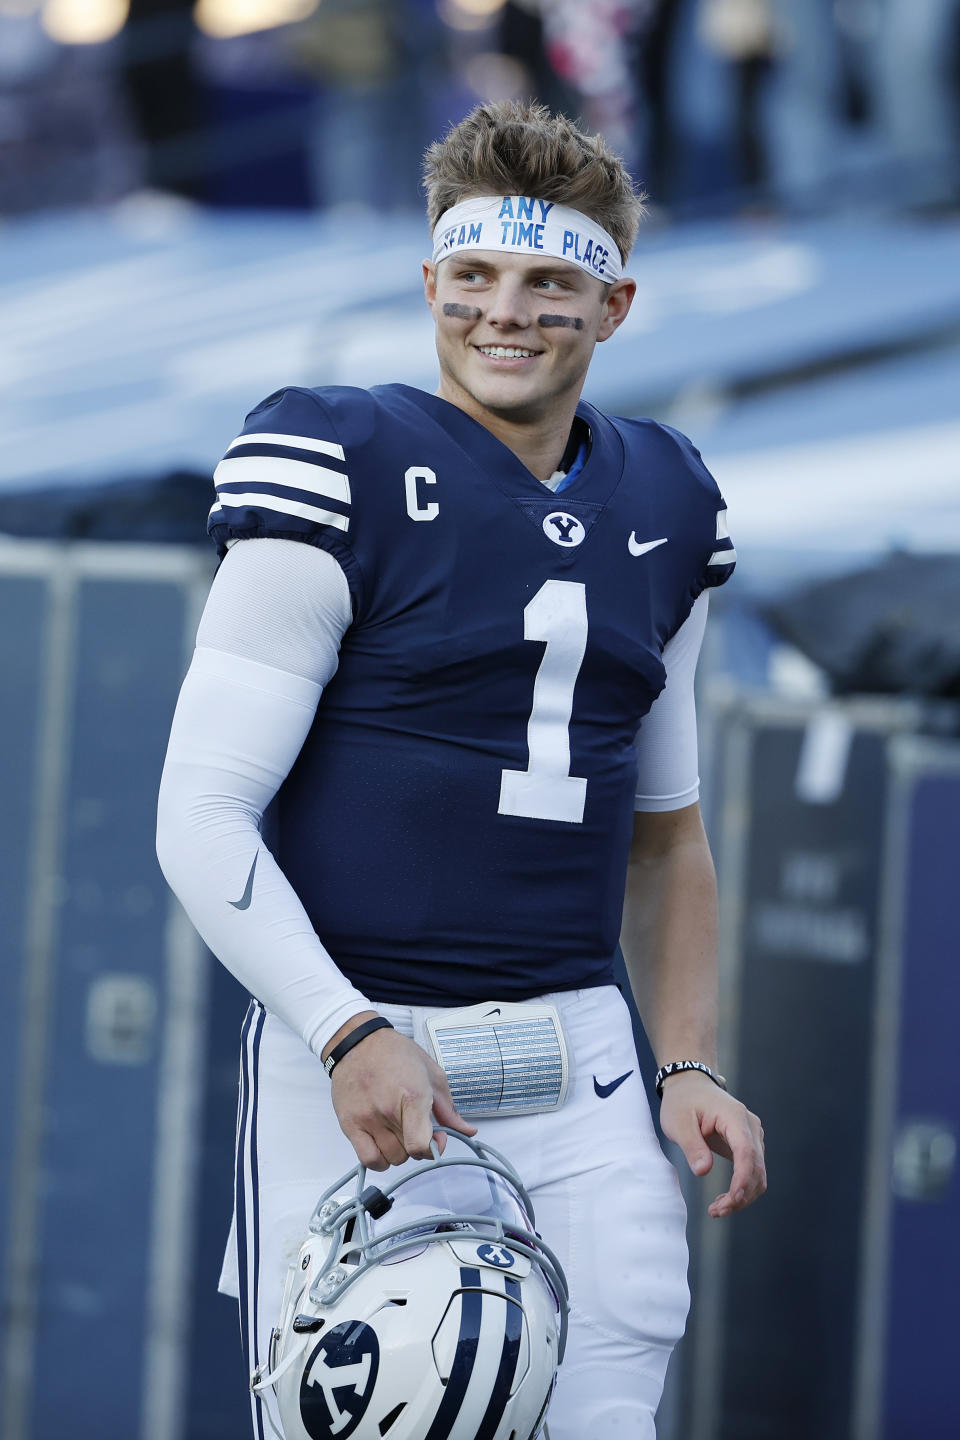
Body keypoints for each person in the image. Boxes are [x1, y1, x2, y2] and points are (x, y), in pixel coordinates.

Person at [156, 99, 766, 1440]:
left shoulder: (666, 501)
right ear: (432, 283)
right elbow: (200, 814)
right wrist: (346, 1029)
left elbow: (667, 835)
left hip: (585, 1059)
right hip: (366, 1061)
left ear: (613, 307)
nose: (508, 310)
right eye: (476, 276)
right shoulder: (338, 455)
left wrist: (691, 1065)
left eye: (553, 281)